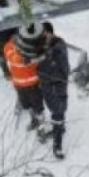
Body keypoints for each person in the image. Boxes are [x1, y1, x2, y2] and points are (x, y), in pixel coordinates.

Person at [3, 22, 46, 132]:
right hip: (20, 86)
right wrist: (29, 58)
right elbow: (14, 58)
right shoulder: (9, 48)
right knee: (27, 105)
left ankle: (41, 126)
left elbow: (40, 58)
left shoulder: (32, 48)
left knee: (38, 106)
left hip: (33, 85)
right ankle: (34, 120)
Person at [39, 21, 71, 159]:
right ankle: (60, 128)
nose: (43, 36)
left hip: (57, 84)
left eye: (45, 33)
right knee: (55, 110)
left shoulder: (59, 46)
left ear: (51, 33)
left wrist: (48, 57)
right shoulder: (40, 46)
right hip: (47, 85)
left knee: (58, 112)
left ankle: (57, 146)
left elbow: (64, 68)